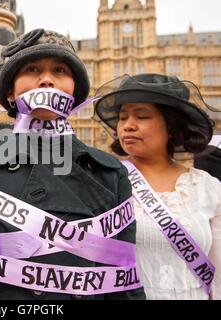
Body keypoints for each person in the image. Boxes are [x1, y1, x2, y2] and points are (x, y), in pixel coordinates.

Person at [0, 29, 146, 300]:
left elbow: (124, 283)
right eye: (32, 69)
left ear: (75, 93)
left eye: (60, 70)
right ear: (11, 94)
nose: (47, 80)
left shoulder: (111, 173)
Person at [94, 73, 221, 300]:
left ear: (171, 126)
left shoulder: (209, 188)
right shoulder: (102, 181)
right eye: (122, 118)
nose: (128, 126)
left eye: (141, 116)